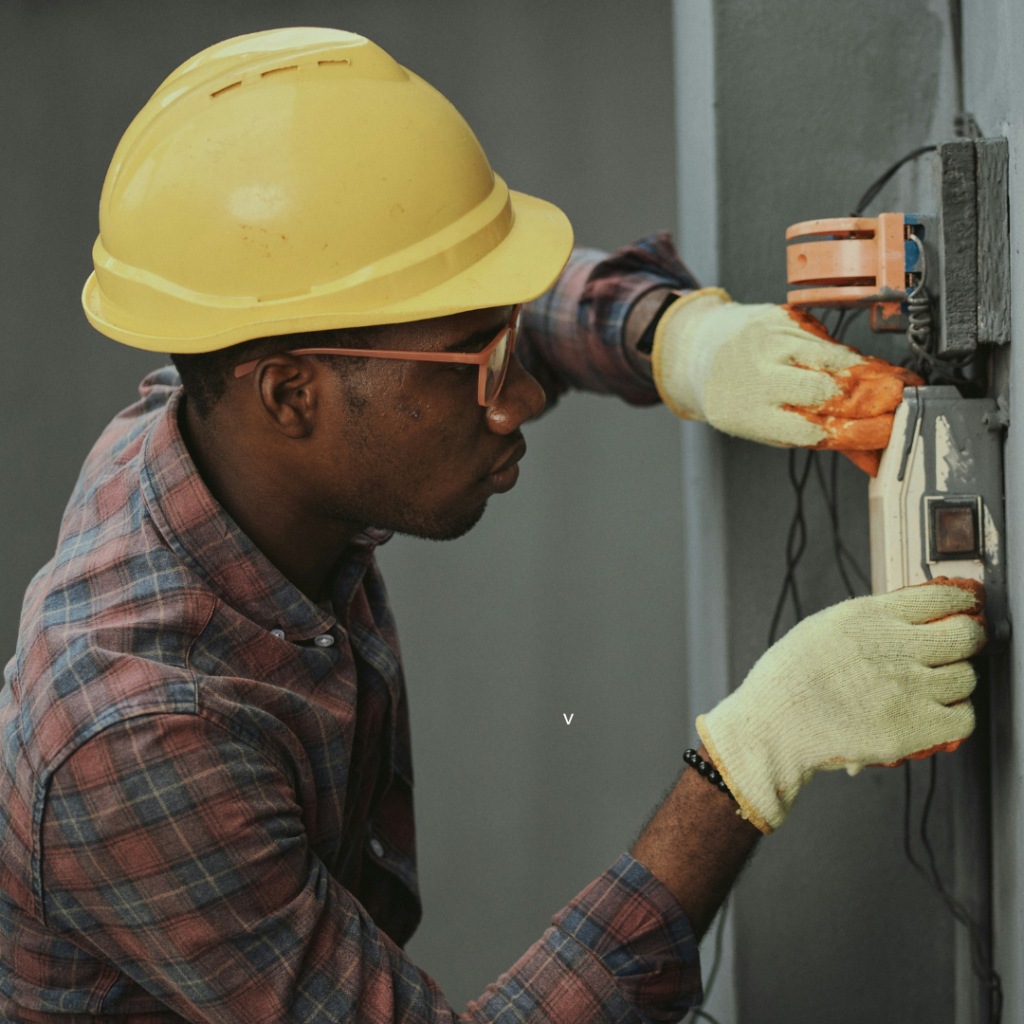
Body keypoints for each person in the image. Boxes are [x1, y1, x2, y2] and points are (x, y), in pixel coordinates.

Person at [0, 27, 986, 1024]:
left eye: (504, 340)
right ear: (290, 395)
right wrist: (749, 761)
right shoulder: (135, 736)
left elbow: (440, 310)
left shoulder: (229, 413)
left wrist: (675, 340)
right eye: (479, 367)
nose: (515, 400)